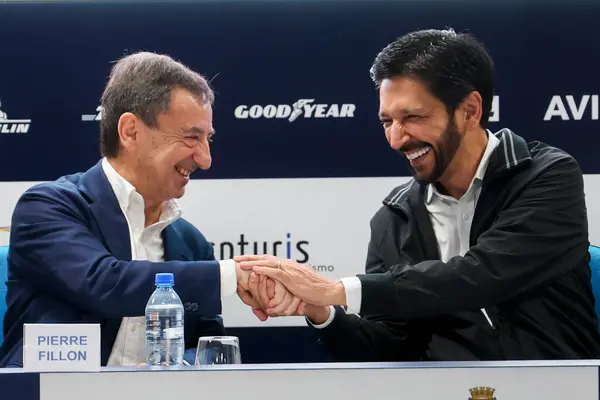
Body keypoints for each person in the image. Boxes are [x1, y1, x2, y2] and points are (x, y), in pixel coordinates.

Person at [237, 28, 600, 360]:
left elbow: (484, 275)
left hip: (561, 389)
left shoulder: (547, 175)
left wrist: (337, 289)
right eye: (387, 122)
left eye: (412, 117)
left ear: (469, 111)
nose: (396, 139)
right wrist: (320, 311)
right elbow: (389, 344)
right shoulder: (394, 217)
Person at [0, 52, 276, 367]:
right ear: (130, 131)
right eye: (191, 137)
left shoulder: (191, 243)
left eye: (208, 139)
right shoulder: (49, 207)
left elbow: (204, 345)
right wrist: (232, 276)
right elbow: (103, 282)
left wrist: (175, 368)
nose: (205, 158)